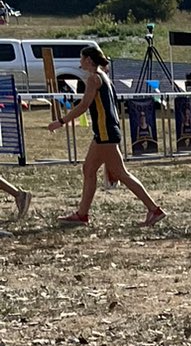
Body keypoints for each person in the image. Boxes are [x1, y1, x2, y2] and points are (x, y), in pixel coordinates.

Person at [48, 42, 165, 228]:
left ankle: (154, 209)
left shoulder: (94, 78)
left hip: (105, 133)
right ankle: (82, 214)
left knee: (121, 173)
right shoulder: (102, 76)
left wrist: (61, 121)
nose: (80, 61)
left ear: (88, 60)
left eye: (81, 58)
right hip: (104, 132)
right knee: (88, 169)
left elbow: (84, 105)